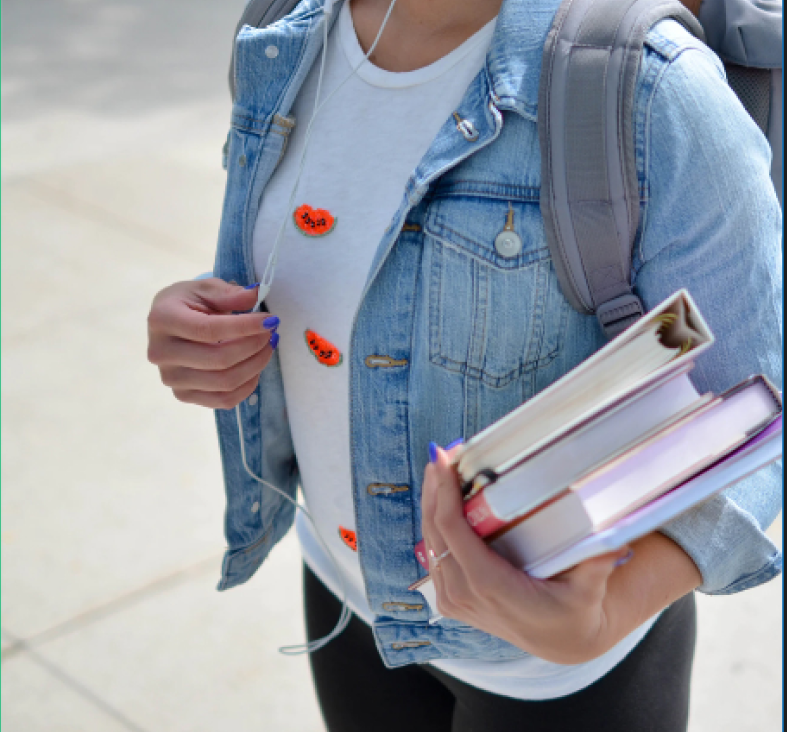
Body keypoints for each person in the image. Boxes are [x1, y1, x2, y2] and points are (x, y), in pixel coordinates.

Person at [146, 0, 783, 729]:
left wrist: (605, 615)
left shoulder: (650, 85)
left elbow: (755, 399)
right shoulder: (283, 28)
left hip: (560, 676)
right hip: (344, 595)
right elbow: (324, 263)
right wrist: (206, 326)